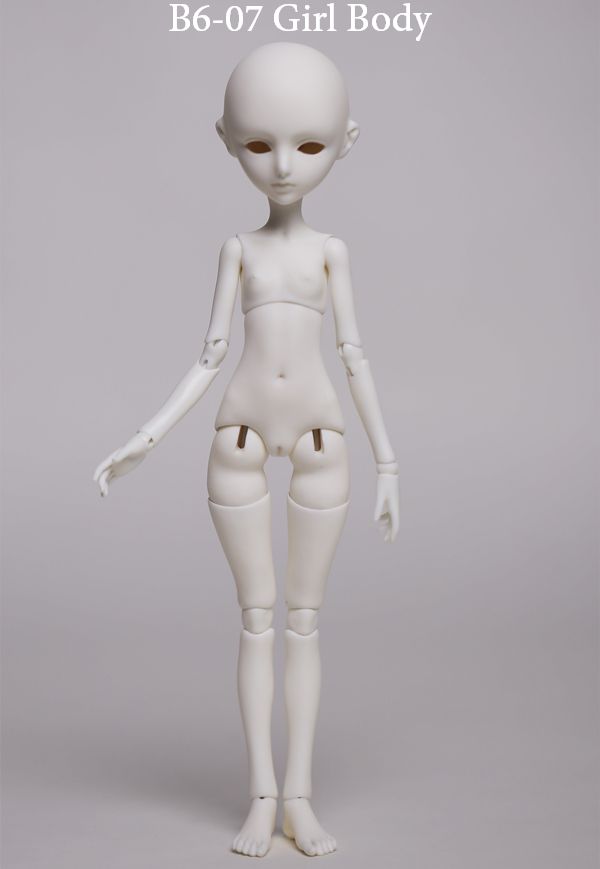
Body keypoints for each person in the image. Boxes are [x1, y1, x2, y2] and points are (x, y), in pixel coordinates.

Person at [94, 42, 399, 858]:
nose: (284, 166)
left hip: (322, 439)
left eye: (310, 143)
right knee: (257, 619)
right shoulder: (239, 248)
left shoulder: (331, 252)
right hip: (238, 436)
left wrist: (389, 462)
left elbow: (355, 355)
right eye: (259, 143)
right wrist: (144, 438)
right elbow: (209, 355)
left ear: (346, 141)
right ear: (226, 139)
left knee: (304, 620)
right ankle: (262, 795)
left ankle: (299, 796)